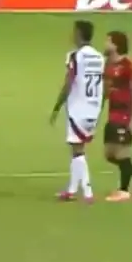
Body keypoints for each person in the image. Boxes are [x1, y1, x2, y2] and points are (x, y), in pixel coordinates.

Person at [50, 20, 105, 203]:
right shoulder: (99, 57)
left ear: (79, 34)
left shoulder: (75, 56)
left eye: (74, 32)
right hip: (94, 107)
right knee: (78, 148)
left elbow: (69, 82)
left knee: (77, 150)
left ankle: (88, 192)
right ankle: (72, 190)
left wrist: (57, 106)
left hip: (78, 108)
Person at [103, 31, 132, 202]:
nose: (105, 44)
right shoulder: (108, 64)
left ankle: (126, 188)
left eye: (108, 41)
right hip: (112, 112)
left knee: (121, 153)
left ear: (116, 45)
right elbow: (105, 89)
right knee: (109, 154)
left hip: (123, 113)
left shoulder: (127, 65)